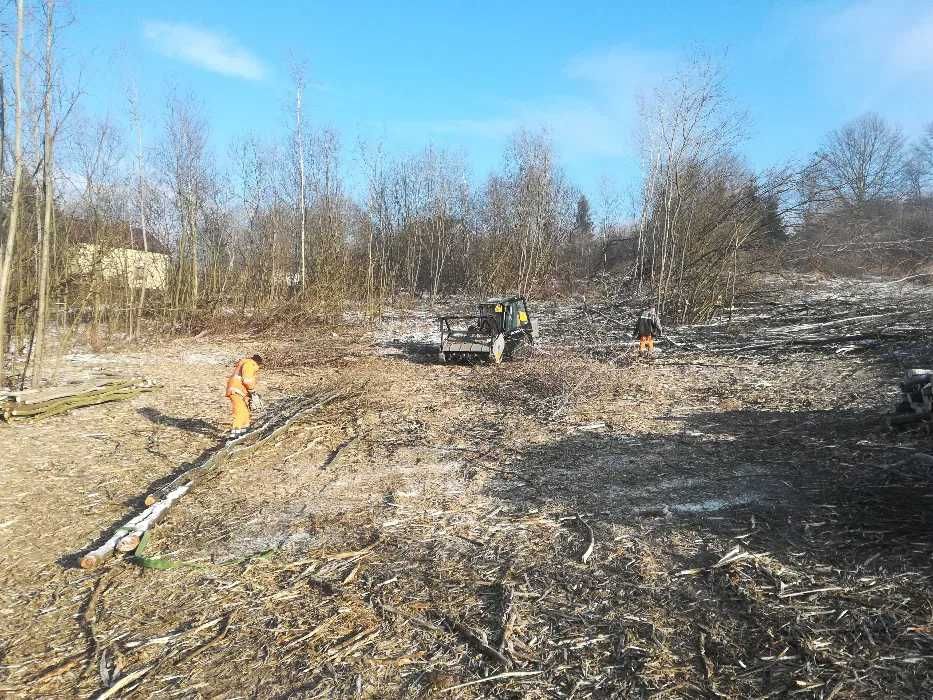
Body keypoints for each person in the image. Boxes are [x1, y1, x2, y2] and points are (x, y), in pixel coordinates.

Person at [225, 354, 263, 438]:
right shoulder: (250, 364)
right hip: (236, 390)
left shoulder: (246, 363)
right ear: (258, 363)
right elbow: (247, 380)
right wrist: (252, 391)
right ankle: (235, 433)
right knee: (240, 411)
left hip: (238, 390)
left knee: (245, 411)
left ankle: (244, 430)